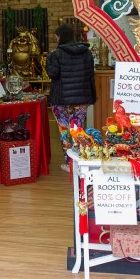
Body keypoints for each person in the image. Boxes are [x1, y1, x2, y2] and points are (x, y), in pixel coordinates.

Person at [45, 23, 96, 172]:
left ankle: (69, 163)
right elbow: (90, 77)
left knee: (64, 131)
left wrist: (48, 63)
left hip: (60, 100)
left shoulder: (55, 55)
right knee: (78, 129)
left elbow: (53, 75)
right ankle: (80, 160)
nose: (56, 39)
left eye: (56, 37)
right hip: (81, 98)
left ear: (60, 37)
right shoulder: (86, 53)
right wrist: (91, 96)